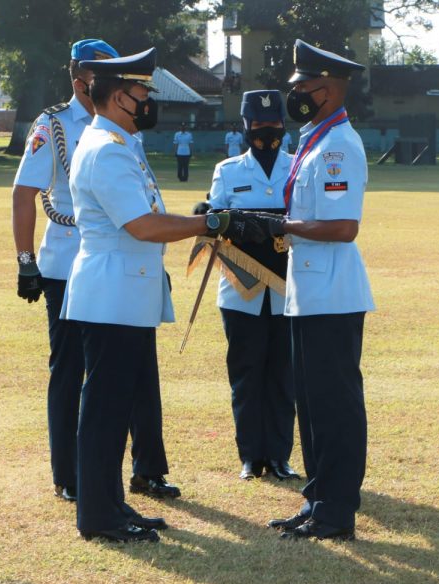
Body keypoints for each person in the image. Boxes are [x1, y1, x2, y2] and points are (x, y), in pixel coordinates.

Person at [63, 47, 263, 542]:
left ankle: (111, 505)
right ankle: (99, 516)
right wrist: (213, 221)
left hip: (123, 294)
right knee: (106, 411)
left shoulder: (118, 141)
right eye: (141, 93)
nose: (148, 101)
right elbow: (143, 225)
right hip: (111, 294)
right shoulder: (107, 149)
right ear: (116, 96)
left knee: (115, 406)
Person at [11, 39, 182, 506]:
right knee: (72, 374)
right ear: (79, 79)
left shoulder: (124, 128)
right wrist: (26, 261)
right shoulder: (54, 124)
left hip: (129, 261)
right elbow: (23, 192)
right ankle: (70, 473)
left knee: (139, 372)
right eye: (102, 74)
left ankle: (148, 468)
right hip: (71, 263)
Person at [252, 39, 375, 541]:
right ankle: (319, 496)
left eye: (302, 86)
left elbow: (344, 226)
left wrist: (283, 227)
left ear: (328, 89)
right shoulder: (314, 139)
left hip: (333, 295)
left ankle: (337, 510)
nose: (295, 94)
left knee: (335, 406)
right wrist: (280, 224)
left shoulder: (339, 146)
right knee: (312, 402)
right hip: (309, 293)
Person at [199, 90, 299, 482]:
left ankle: (279, 456)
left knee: (282, 375)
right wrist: (209, 215)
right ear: (245, 127)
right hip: (241, 291)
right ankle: (249, 456)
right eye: (257, 125)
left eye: (273, 125)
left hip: (288, 291)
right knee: (245, 374)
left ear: (283, 126)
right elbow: (214, 218)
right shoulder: (228, 170)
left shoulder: (297, 168)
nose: (265, 131)